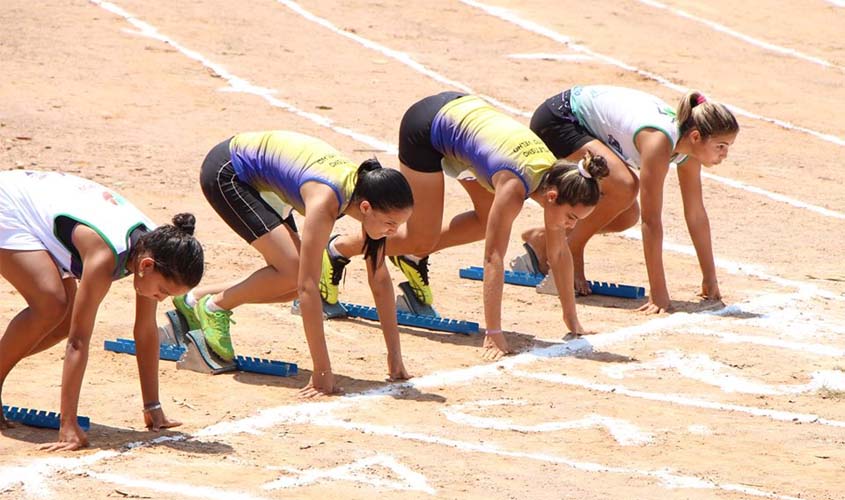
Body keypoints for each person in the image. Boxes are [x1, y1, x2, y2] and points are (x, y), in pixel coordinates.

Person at [322, 92, 609, 360]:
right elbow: (493, 257)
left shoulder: (557, 177)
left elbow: (559, 252)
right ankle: (338, 249)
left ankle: (410, 256)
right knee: (420, 238)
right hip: (426, 128)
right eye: (571, 217)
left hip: (462, 118)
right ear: (552, 197)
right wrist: (493, 333)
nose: (570, 225)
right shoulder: (514, 187)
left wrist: (572, 321)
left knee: (484, 223)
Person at [174, 131, 414, 397]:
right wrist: (322, 372)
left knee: (292, 281)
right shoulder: (326, 201)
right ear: (366, 208)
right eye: (391, 223)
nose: (394, 232)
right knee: (297, 274)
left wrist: (395, 356)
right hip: (228, 170)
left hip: (266, 182)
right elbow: (307, 287)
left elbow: (379, 279)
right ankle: (215, 307)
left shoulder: (367, 195)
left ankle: (196, 299)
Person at [0, 170, 204, 451]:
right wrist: (68, 425)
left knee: (64, 320)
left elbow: (145, 331)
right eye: (163, 291)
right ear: (146, 267)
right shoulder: (105, 255)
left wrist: (152, 406)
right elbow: (78, 341)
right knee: (52, 305)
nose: (161, 298)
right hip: (9, 204)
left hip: (39, 208)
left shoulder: (154, 249)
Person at [519, 85, 739, 314]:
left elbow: (695, 214)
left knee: (627, 216)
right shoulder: (659, 142)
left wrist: (710, 278)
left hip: (584, 126)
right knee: (625, 186)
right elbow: (651, 221)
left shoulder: (688, 149)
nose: (725, 154)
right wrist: (658, 293)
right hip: (559, 120)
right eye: (720, 146)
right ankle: (571, 251)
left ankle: (544, 239)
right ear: (695, 136)